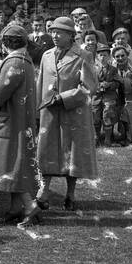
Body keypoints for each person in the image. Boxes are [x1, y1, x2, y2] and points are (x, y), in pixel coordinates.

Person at [0, 22, 41, 227]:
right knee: (18, 163)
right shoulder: (26, 61)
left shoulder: (13, 63)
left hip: (10, 123)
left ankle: (30, 206)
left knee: (8, 165)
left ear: (5, 44)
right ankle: (16, 208)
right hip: (21, 122)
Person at [35, 16, 97, 213]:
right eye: (52, 31)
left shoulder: (83, 56)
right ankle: (44, 192)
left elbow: (89, 87)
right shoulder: (46, 55)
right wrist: (38, 110)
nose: (54, 35)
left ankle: (70, 195)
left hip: (73, 115)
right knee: (46, 152)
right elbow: (40, 84)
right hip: (50, 114)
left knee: (72, 156)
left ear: (71, 36)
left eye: (59, 32)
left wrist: (64, 98)